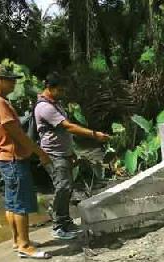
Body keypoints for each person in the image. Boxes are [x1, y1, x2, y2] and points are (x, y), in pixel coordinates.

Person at [0, 64, 53, 260]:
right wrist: (40, 153)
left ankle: (17, 240)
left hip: (3, 156)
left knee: (12, 202)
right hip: (12, 158)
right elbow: (18, 134)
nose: (13, 83)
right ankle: (25, 245)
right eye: (9, 79)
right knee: (21, 203)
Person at [34, 73, 110, 240]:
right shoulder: (44, 107)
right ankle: (58, 226)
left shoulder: (55, 104)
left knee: (67, 188)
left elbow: (62, 133)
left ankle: (65, 221)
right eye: (59, 90)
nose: (62, 93)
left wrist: (72, 152)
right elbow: (68, 127)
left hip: (64, 153)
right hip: (53, 154)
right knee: (63, 187)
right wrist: (94, 135)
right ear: (50, 88)